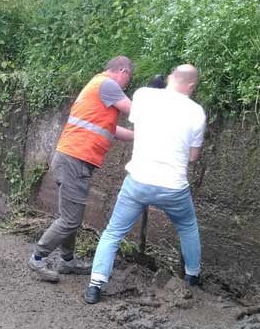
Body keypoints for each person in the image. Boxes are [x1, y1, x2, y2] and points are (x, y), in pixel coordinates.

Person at [83, 64, 206, 304]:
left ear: (170, 77)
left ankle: (95, 285)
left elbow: (139, 125)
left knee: (114, 232)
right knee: (188, 227)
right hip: (173, 186)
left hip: (138, 182)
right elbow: (192, 157)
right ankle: (192, 276)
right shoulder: (197, 112)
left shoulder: (143, 95)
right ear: (191, 85)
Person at [28, 57, 136, 282]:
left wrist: (139, 136)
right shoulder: (108, 85)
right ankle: (37, 258)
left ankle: (67, 262)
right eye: (129, 79)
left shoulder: (97, 86)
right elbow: (136, 113)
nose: (126, 85)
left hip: (71, 157)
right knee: (70, 220)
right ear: (123, 71)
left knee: (69, 216)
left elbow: (111, 129)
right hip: (75, 159)